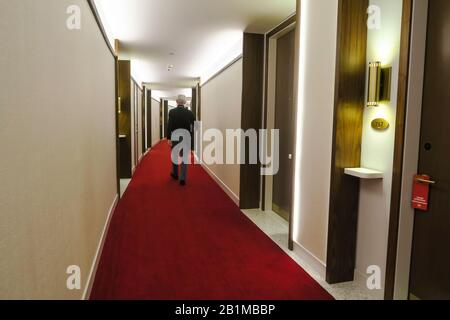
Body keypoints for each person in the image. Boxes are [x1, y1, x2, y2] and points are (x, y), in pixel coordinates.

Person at [167, 94, 195, 186]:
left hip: (175, 136)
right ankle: (182, 178)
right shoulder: (190, 113)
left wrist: (168, 138)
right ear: (184, 102)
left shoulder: (172, 112)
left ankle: (175, 174)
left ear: (176, 101)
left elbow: (169, 125)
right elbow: (194, 126)